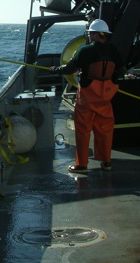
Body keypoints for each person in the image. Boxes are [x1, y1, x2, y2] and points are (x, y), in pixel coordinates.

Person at [50, 19, 125, 173]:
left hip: (88, 95)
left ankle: (81, 165)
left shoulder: (85, 51)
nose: (89, 36)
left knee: (83, 130)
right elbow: (120, 71)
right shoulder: (113, 50)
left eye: (90, 34)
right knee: (105, 130)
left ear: (95, 34)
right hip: (105, 96)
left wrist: (55, 70)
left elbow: (69, 69)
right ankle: (106, 162)